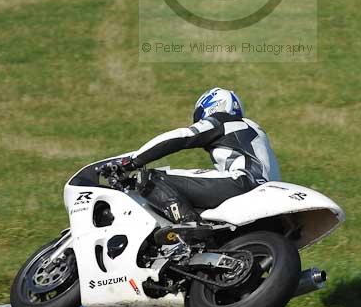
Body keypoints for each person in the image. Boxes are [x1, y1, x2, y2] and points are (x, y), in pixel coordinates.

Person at [112, 88, 280, 224]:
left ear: (213, 105)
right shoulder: (254, 131)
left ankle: (187, 224)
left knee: (149, 178)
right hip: (265, 193)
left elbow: (182, 136)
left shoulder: (224, 121)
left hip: (242, 183)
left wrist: (131, 161)